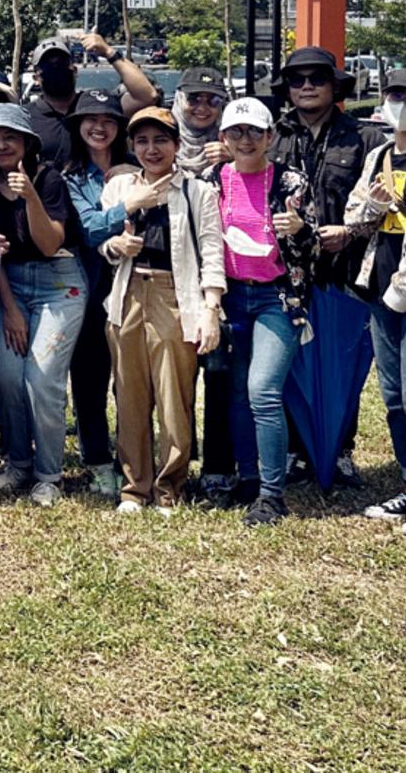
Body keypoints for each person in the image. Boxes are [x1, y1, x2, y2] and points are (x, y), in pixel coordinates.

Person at [98, 107, 225, 513]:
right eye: (142, 141)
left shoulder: (197, 191)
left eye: (161, 140)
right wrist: (114, 247)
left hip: (175, 294)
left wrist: (210, 307)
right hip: (127, 294)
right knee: (129, 394)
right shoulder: (119, 187)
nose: (151, 149)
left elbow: (211, 250)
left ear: (176, 144)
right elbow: (102, 237)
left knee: (175, 396)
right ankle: (134, 487)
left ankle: (170, 487)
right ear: (132, 146)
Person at [269, 46, 384, 487]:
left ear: (335, 86)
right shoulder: (273, 138)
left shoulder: (367, 139)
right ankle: (298, 452)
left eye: (317, 78)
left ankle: (341, 450)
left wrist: (350, 231)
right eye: (297, 80)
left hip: (344, 273)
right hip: (287, 273)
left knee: (345, 364)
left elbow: (383, 201)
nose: (307, 86)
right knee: (291, 364)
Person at [207, 97, 318, 526]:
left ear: (270, 137)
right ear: (224, 138)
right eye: (236, 131)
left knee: (263, 392)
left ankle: (273, 494)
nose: (245, 139)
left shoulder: (290, 182)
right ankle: (249, 478)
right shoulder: (216, 178)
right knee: (237, 392)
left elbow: (311, 254)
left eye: (255, 131)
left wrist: (301, 229)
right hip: (232, 295)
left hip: (276, 297)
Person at [0, 102, 87, 506]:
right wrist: (11, 310)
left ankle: (49, 473)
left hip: (60, 282)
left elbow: (49, 242)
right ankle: (18, 462)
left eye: (11, 137)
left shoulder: (50, 179)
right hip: (10, 286)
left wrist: (31, 198)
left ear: (27, 142)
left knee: (42, 379)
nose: (2, 145)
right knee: (6, 377)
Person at [61, 88, 138, 500]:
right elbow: (87, 229)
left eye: (108, 120)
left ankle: (134, 459)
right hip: (89, 288)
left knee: (131, 381)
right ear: (77, 127)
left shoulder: (141, 166)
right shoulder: (69, 177)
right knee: (89, 379)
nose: (99, 127)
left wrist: (133, 184)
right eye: (90, 120)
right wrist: (128, 207)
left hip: (138, 287)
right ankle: (97, 460)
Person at [170, 67, 236, 500]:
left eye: (213, 100)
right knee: (171, 378)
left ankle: (217, 465)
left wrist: (233, 160)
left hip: (219, 279)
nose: (202, 107)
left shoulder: (236, 150)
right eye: (194, 98)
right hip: (168, 280)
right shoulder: (159, 143)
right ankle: (173, 458)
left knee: (218, 373)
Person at [344, 70, 406, 524]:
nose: (399, 102)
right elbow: (355, 216)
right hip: (382, 285)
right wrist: (377, 204)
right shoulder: (382, 154)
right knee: (393, 393)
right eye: (395, 94)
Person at [27, 33, 157, 166]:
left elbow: (147, 96)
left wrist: (109, 52)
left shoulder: (97, 105)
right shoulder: (25, 117)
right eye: (48, 66)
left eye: (62, 63)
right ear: (36, 78)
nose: (56, 69)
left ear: (75, 71)